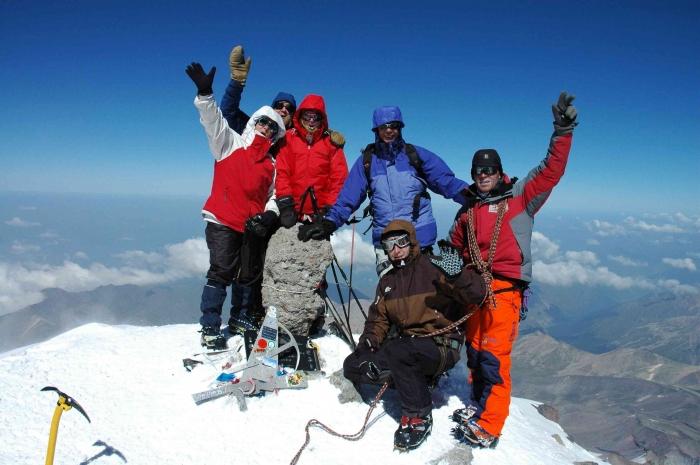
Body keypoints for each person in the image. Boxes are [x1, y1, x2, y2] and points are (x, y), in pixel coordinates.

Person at [447, 92, 578, 448]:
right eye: (478, 170)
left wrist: (562, 130)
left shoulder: (520, 197)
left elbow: (551, 170)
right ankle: (479, 404)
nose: (483, 175)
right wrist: (439, 265)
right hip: (475, 293)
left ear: (499, 171)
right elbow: (454, 250)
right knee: (474, 353)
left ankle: (490, 425)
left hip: (504, 294)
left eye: (489, 169)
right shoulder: (468, 211)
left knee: (492, 358)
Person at [343, 219, 487, 451]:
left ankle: (418, 416)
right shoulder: (388, 282)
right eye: (389, 245)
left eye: (401, 242)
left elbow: (478, 294)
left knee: (399, 351)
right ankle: (414, 380)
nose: (396, 249)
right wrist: (368, 345)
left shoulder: (434, 268)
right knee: (353, 364)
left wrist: (458, 275)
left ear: (411, 241)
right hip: (408, 349)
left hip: (441, 346)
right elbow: (377, 321)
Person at [185, 62, 286, 349]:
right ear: (254, 122)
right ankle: (209, 327)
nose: (266, 127)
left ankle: (239, 319)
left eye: (272, 126)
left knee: (246, 275)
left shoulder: (272, 164)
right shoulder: (229, 143)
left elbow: (273, 196)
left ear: (276, 134)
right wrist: (205, 94)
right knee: (221, 273)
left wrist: (269, 214)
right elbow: (213, 120)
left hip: (251, 226)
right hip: (222, 221)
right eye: (262, 122)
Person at [298, 106, 467, 277]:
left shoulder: (415, 156)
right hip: (386, 245)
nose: (388, 131)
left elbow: (447, 183)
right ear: (376, 130)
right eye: (383, 127)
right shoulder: (367, 161)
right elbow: (348, 198)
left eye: (393, 126)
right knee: (392, 300)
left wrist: (474, 197)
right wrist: (329, 223)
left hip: (418, 240)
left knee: (422, 299)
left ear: (400, 128)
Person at [274, 94, 349, 227]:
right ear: (300, 116)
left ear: (322, 119)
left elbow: (339, 178)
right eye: (307, 116)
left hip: (319, 213)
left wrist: (329, 208)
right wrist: (286, 204)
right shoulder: (288, 139)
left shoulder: (331, 143)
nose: (311, 121)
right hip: (290, 210)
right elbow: (282, 171)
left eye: (316, 117)